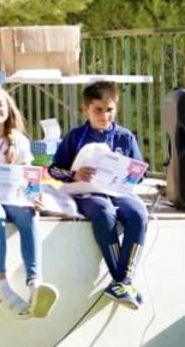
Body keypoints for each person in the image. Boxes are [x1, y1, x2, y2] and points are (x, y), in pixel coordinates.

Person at [0, 84, 59, 318]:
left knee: (29, 217)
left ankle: (35, 283)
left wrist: (36, 196)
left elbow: (28, 176)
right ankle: (1, 286)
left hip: (13, 196)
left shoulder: (20, 141)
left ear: (8, 108)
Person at [50, 80, 149, 308]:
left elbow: (140, 172)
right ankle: (121, 281)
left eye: (110, 110)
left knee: (138, 214)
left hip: (117, 192)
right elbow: (54, 169)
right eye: (98, 110)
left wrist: (130, 175)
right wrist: (74, 173)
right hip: (86, 193)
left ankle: (124, 280)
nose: (105, 116)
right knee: (103, 211)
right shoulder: (76, 136)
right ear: (86, 109)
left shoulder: (125, 137)